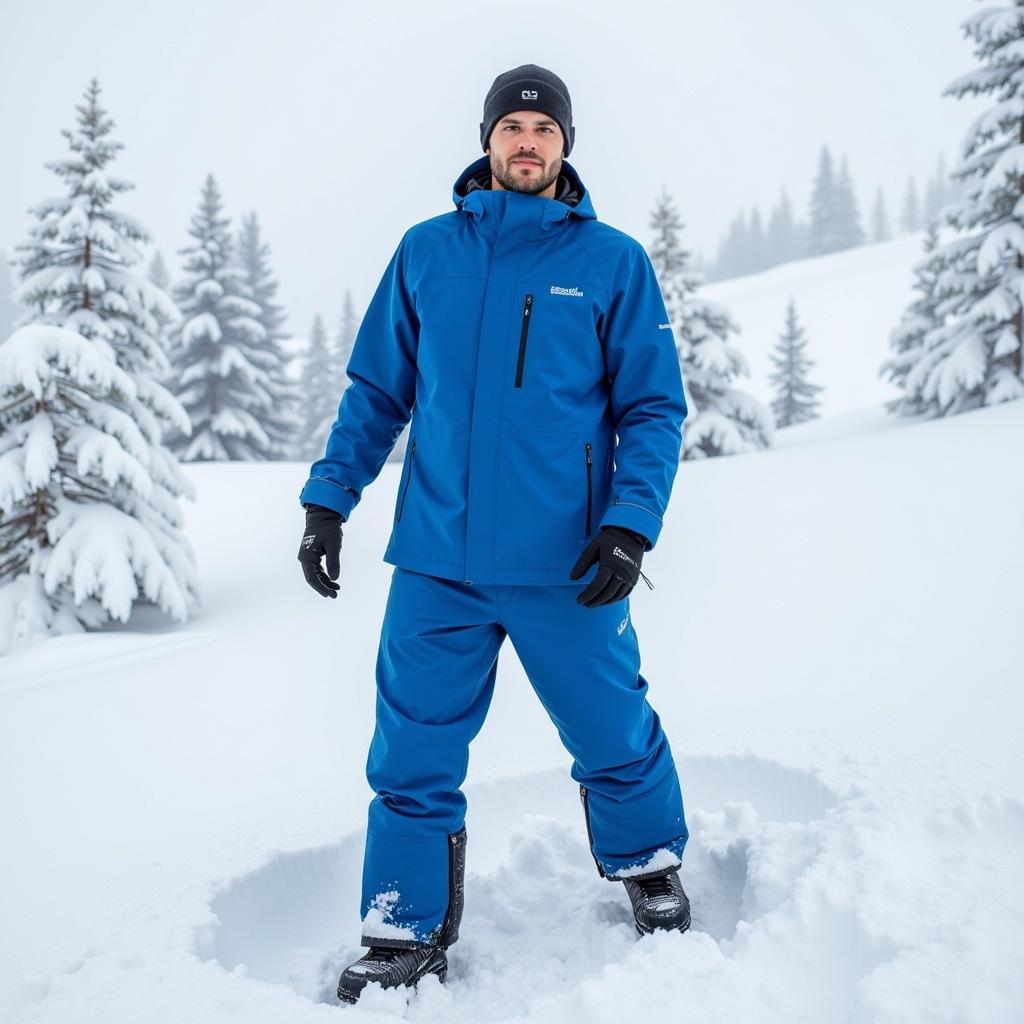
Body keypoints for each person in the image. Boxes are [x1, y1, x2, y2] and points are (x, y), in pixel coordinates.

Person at [297, 63, 691, 1005]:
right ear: (487, 140)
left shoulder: (610, 263)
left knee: (610, 725)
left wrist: (630, 524)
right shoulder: (428, 252)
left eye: (543, 128)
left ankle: (651, 866)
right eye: (511, 126)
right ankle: (402, 926)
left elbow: (653, 408)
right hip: (439, 560)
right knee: (412, 748)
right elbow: (377, 395)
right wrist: (328, 500)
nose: (526, 141)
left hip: (569, 562)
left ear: (565, 147)